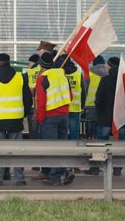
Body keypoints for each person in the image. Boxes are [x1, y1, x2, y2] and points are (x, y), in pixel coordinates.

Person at [0, 53, 32, 186]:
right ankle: (19, 178)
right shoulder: (20, 77)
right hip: (15, 120)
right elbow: (28, 98)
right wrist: (23, 113)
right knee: (17, 151)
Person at [34, 52, 74, 186]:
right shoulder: (62, 75)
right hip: (64, 115)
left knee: (50, 147)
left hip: (50, 117)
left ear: (41, 65)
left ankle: (55, 176)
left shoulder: (42, 78)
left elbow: (41, 102)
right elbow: (71, 96)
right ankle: (60, 171)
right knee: (61, 146)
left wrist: (40, 119)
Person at [92, 57, 125, 176]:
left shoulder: (105, 80)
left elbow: (99, 99)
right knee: (120, 144)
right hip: (121, 118)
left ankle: (98, 168)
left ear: (110, 66)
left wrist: (100, 114)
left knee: (101, 143)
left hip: (105, 118)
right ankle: (117, 168)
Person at [54, 54, 85, 140]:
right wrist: (82, 105)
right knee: (74, 132)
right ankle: (75, 150)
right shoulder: (78, 74)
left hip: (62, 107)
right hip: (75, 107)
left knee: (62, 132)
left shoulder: (59, 74)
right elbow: (83, 91)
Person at [84, 55, 108, 140]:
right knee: (102, 125)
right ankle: (101, 141)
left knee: (90, 125)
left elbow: (84, 89)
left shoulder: (88, 73)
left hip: (91, 105)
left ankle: (91, 140)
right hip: (105, 105)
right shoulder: (108, 73)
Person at [23, 54, 40, 140]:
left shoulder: (28, 73)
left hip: (32, 106)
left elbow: (25, 91)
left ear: (31, 62)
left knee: (33, 132)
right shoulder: (46, 71)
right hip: (43, 105)